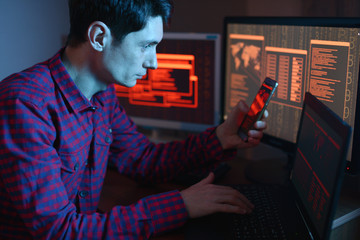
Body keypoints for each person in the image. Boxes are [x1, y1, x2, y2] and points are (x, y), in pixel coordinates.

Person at [0, 0, 267, 239]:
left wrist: (220, 137)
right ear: (99, 36)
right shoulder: (25, 104)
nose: (154, 63)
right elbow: (61, 232)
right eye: (146, 45)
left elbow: (143, 159)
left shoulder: (102, 93)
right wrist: (181, 205)